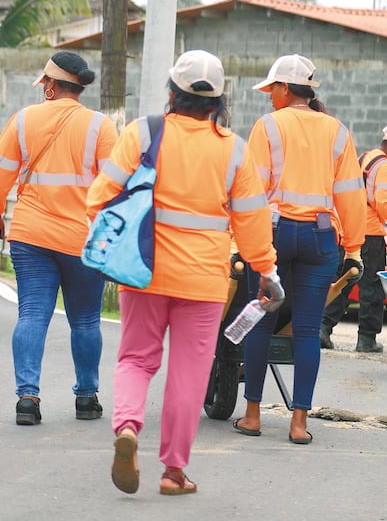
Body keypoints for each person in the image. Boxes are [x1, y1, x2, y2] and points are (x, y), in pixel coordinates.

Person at [87, 51, 280, 497]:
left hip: (143, 271)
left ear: (171, 92)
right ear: (218, 101)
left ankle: (129, 430)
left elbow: (100, 197)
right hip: (204, 280)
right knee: (189, 374)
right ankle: (174, 471)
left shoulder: (142, 132)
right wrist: (266, 271)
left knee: (136, 357)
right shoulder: (233, 149)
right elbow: (252, 222)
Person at [0, 51, 117, 425]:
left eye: (45, 82)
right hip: (82, 238)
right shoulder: (100, 126)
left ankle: (28, 398)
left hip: (32, 234)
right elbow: (114, 187)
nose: (43, 87)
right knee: (87, 320)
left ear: (52, 85)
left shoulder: (24, 120)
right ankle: (87, 398)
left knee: (32, 315)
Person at [240, 54, 367, 442]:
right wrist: (355, 247)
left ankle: (253, 416)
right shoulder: (338, 131)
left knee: (260, 322)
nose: (268, 97)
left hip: (274, 236)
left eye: (271, 89)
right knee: (309, 331)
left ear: (283, 88)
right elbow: (351, 193)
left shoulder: (267, 127)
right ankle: (298, 424)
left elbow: (251, 191)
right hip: (320, 235)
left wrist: (240, 241)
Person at [322, 124, 387, 353]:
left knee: (342, 282)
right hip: (369, 233)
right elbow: (384, 203)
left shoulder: (365, 158)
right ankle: (366, 339)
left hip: (349, 229)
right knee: (372, 287)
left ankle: (323, 328)